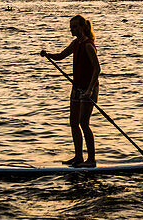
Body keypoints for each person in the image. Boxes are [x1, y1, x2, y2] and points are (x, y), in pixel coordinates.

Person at [41, 15, 101, 167]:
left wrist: (90, 89)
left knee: (84, 123)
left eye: (74, 26)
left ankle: (91, 160)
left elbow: (97, 69)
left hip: (88, 88)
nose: (71, 29)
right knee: (73, 123)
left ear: (81, 27)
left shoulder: (88, 44)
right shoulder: (75, 44)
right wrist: (48, 55)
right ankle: (78, 157)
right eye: (71, 26)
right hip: (77, 88)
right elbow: (61, 56)